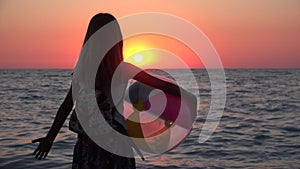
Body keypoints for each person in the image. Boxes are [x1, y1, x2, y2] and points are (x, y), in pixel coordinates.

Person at [32, 13, 195, 169]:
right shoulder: (121, 69)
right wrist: (189, 98)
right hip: (115, 147)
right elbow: (163, 86)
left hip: (88, 147)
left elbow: (66, 106)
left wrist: (50, 139)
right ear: (116, 39)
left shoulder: (83, 70)